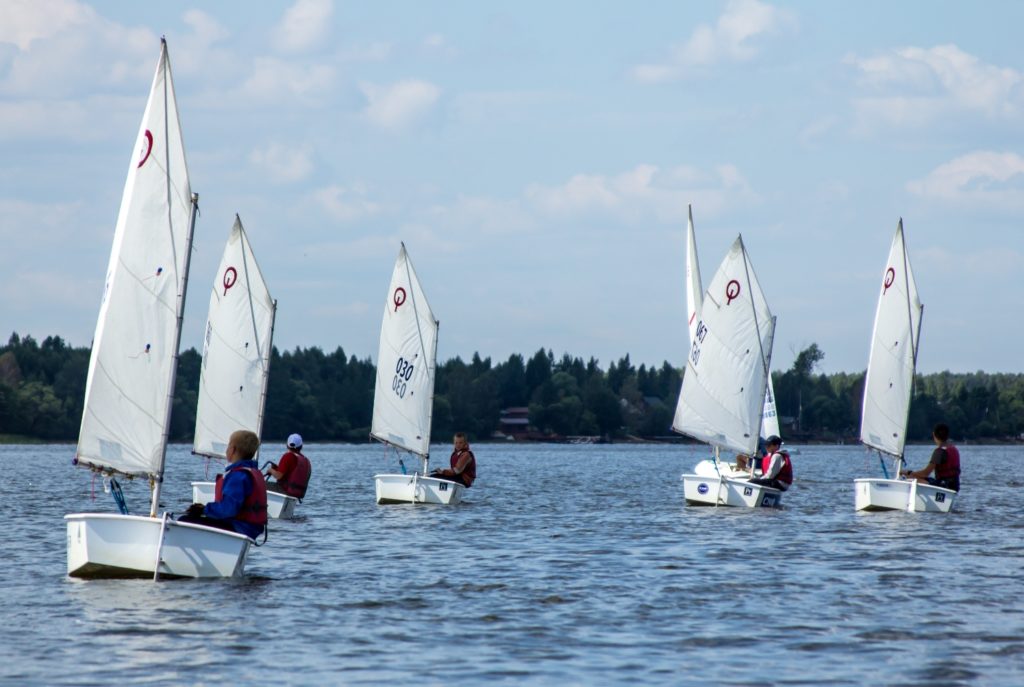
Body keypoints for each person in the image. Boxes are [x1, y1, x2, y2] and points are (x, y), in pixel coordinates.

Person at [179, 429, 267, 539]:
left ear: (233, 449)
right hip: (249, 530)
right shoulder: (252, 472)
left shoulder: (238, 476)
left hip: (237, 528)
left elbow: (229, 509)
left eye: (228, 445)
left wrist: (204, 510)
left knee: (184, 521)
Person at [901, 423, 961, 492]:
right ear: (947, 436)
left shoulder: (939, 452)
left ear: (934, 435)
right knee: (916, 477)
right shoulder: (954, 448)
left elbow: (925, 473)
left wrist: (909, 473)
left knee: (910, 478)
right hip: (954, 486)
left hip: (944, 485)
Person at [267, 433, 312, 500]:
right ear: (301, 446)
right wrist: (277, 468)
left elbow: (278, 476)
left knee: (259, 484)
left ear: (287, 445)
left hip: (284, 490)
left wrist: (270, 470)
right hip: (296, 494)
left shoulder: (288, 456)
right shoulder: (306, 460)